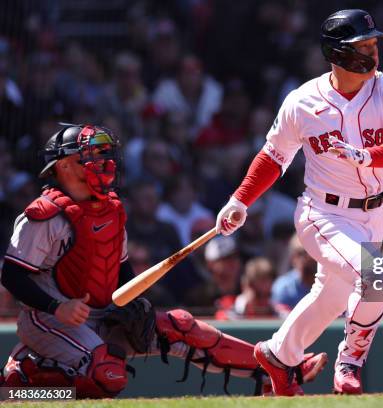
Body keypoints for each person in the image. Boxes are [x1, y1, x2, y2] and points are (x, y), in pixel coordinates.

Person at [0, 124, 327, 398]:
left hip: (100, 315)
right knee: (107, 376)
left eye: (104, 155)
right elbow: (12, 275)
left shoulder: (110, 208)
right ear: (65, 165)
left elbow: (119, 268)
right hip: (50, 320)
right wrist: (58, 308)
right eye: (92, 156)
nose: (103, 162)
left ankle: (283, 372)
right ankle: (23, 380)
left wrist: (133, 303)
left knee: (182, 326)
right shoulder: (44, 216)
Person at [215, 9, 383, 395]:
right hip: (322, 212)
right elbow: (273, 156)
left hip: (372, 213)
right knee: (376, 277)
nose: (373, 52)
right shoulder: (302, 101)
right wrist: (240, 200)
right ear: (338, 53)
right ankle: (350, 361)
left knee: (331, 297)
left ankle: (279, 355)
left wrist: (367, 155)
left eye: (374, 43)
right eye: (363, 45)